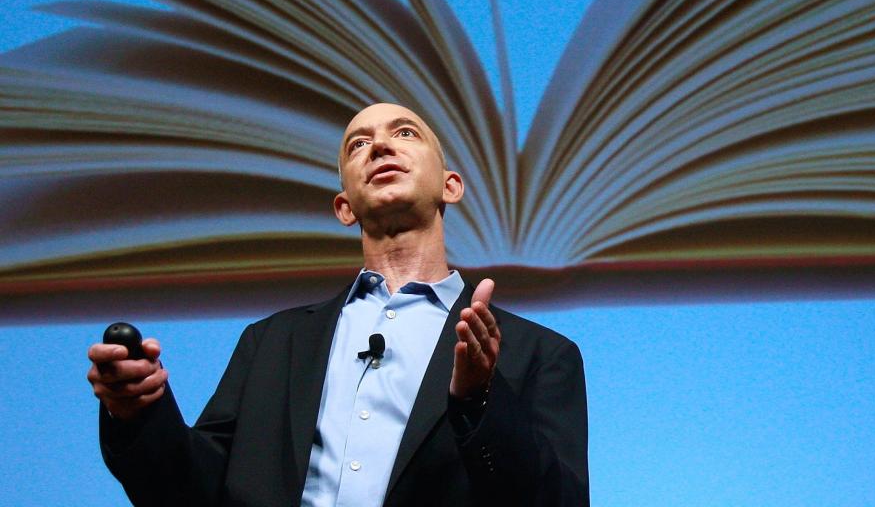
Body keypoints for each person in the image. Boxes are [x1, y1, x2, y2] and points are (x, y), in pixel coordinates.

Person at [88, 102, 589, 506]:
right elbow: (189, 491)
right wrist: (139, 412)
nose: (381, 146)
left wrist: (481, 401)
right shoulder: (273, 343)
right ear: (344, 206)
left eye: (406, 133)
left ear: (449, 186)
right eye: (359, 144)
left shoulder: (538, 354)